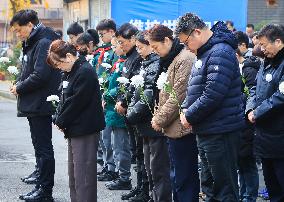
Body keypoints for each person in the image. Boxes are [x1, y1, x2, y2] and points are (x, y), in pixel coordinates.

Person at [177, 13, 244, 201]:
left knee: (224, 188)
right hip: (207, 128)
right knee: (209, 186)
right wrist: (185, 109)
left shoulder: (220, 52)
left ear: (196, 32)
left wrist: (189, 115)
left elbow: (213, 94)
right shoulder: (206, 52)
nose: (186, 47)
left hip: (221, 130)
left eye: (186, 42)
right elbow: (194, 88)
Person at [9, 9, 61, 201]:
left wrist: (20, 87)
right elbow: (30, 70)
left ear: (30, 25)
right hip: (35, 104)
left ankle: (45, 191)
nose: (17, 34)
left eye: (18, 29)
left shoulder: (43, 41)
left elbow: (41, 75)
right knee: (39, 147)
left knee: (44, 148)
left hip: (41, 103)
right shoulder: (34, 41)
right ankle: (40, 186)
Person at [47, 40, 105, 202]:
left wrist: (60, 120)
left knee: (84, 175)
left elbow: (76, 102)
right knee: (74, 174)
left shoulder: (84, 71)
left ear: (69, 56)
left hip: (85, 128)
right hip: (75, 128)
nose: (58, 67)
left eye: (59, 63)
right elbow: (63, 97)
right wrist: (58, 117)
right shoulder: (72, 70)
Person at [149, 24, 198, 202]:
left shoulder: (184, 59)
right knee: (176, 176)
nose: (154, 52)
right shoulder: (174, 58)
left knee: (184, 178)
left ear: (167, 40)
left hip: (182, 128)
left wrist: (159, 119)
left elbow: (178, 94)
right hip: (173, 128)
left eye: (156, 47)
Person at [126, 30, 172, 202]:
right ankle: (151, 196)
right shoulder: (144, 63)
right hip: (144, 123)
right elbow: (135, 92)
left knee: (158, 169)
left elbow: (148, 95)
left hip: (153, 123)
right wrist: (131, 110)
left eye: (142, 47)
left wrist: (132, 114)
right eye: (136, 47)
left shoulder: (156, 64)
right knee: (148, 166)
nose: (138, 51)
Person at [246, 24, 284, 202]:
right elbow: (255, 88)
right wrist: (250, 108)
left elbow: (280, 96)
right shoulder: (266, 62)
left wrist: (258, 112)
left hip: (280, 137)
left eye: (264, 45)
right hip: (265, 138)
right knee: (272, 188)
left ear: (278, 41)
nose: (261, 49)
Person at [235, 32, 260, 202]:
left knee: (248, 164)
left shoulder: (248, 69)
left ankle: (249, 196)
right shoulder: (238, 69)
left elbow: (253, 93)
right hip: (238, 123)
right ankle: (243, 194)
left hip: (247, 123)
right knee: (241, 164)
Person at [97, 36, 125, 183]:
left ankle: (120, 174)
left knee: (118, 145)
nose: (114, 49)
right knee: (107, 140)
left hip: (116, 108)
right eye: (113, 46)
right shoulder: (116, 63)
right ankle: (109, 167)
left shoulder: (124, 63)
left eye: (117, 46)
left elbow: (121, 87)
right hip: (108, 107)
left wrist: (107, 94)